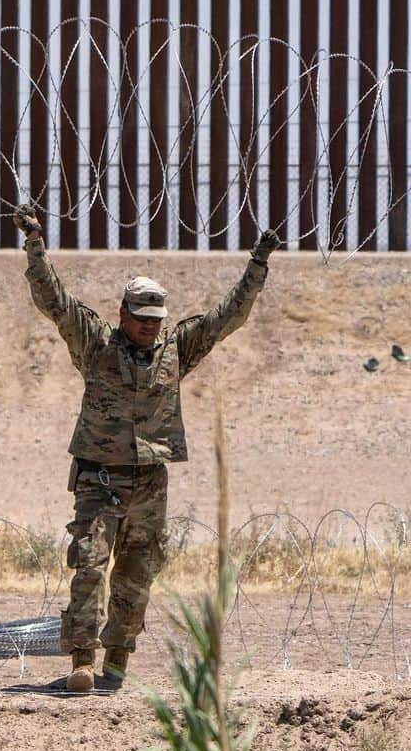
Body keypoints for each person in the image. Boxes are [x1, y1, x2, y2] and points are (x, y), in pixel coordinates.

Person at [14, 207, 279, 694]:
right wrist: (35, 245)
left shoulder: (177, 350)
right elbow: (54, 301)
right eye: (141, 319)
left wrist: (257, 265)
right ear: (123, 314)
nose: (149, 328)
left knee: (137, 575)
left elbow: (227, 318)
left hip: (150, 480)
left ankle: (116, 661)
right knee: (90, 567)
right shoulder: (96, 343)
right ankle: (82, 659)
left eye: (156, 320)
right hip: (100, 477)